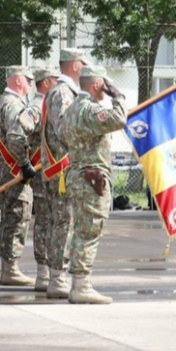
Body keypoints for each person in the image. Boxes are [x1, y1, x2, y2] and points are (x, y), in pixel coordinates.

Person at [57, 65, 128, 303]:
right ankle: (81, 286)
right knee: (90, 231)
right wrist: (118, 97)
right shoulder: (89, 110)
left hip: (77, 174)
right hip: (91, 178)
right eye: (104, 85)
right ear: (97, 86)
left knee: (80, 230)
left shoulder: (71, 110)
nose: (107, 89)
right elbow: (119, 119)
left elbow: (61, 135)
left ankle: (78, 283)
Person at [41, 48, 87, 298]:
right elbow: (64, 129)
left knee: (60, 222)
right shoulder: (62, 93)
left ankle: (56, 275)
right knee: (63, 223)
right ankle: (58, 277)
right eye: (83, 64)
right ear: (76, 66)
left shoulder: (64, 91)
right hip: (61, 171)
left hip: (62, 169)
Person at [0, 65, 38, 287]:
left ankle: (10, 267)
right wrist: (25, 163)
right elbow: (16, 136)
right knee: (16, 218)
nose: (30, 85)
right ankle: (10, 269)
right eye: (28, 81)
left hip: (8, 168)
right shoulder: (12, 104)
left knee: (13, 216)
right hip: (14, 169)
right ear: (18, 81)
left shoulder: (5, 102)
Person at [26, 67, 58, 290]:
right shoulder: (37, 106)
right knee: (45, 221)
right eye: (55, 80)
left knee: (52, 220)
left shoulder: (52, 104)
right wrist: (23, 162)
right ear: (46, 83)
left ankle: (49, 272)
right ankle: (44, 273)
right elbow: (19, 130)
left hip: (53, 170)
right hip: (41, 172)